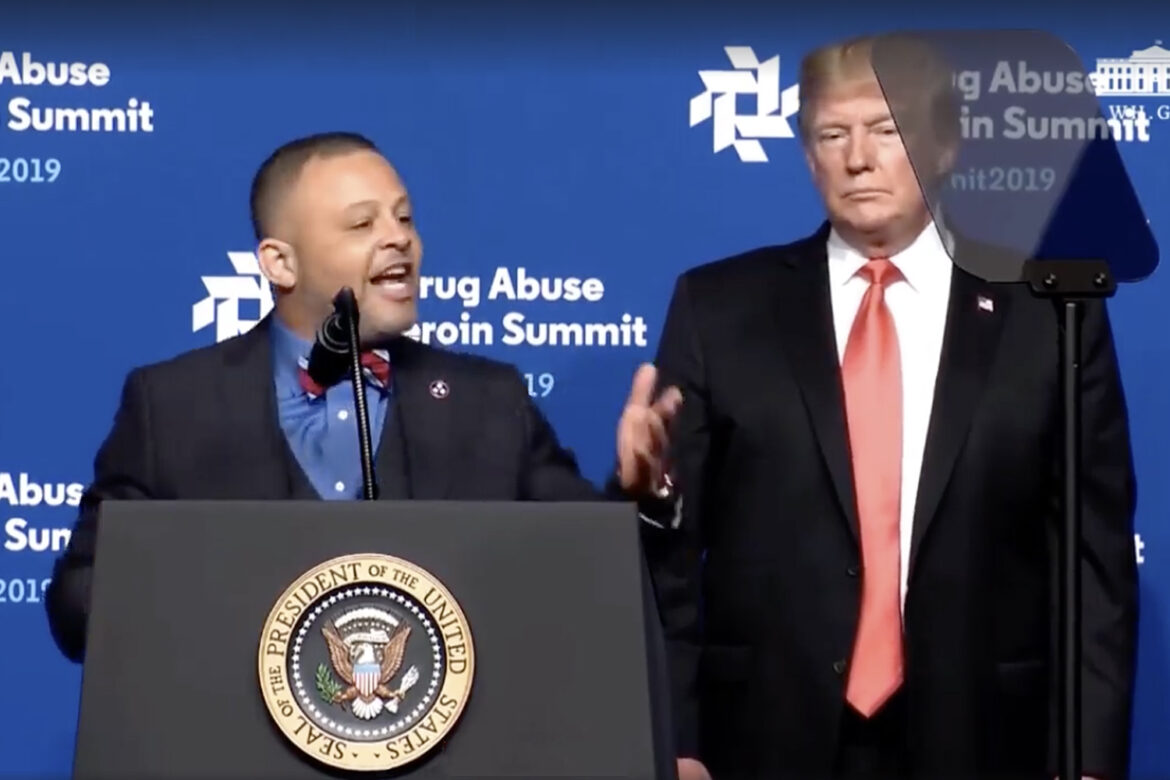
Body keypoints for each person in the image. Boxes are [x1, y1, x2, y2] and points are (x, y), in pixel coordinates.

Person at [641, 34, 1138, 780]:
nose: (857, 157)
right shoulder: (718, 309)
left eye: (886, 129)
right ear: (808, 156)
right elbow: (670, 566)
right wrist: (674, 740)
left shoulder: (1048, 311)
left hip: (989, 736)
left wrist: (1091, 758)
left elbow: (1094, 562)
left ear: (943, 146)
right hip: (766, 739)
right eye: (832, 134)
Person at [45, 131, 682, 665]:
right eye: (362, 223)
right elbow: (79, 604)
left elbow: (589, 579)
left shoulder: (489, 402)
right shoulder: (172, 405)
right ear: (279, 263)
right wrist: (198, 592)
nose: (398, 237)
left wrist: (641, 498)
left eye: (404, 218)